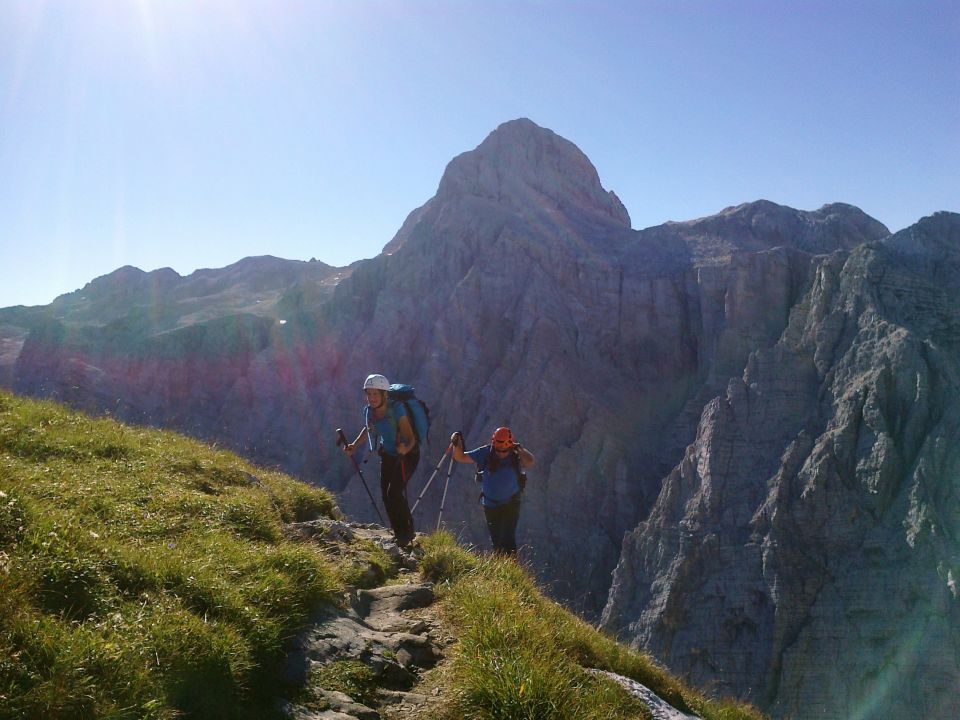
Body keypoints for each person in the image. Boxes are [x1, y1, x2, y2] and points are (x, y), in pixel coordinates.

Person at [342, 374, 419, 547]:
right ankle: (399, 533)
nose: (371, 398)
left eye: (375, 394)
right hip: (389, 454)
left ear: (384, 394)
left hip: (408, 455)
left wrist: (405, 449)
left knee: (394, 492)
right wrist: (354, 445)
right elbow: (369, 428)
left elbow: (411, 438)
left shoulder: (397, 410)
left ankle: (408, 532)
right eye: (369, 394)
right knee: (386, 495)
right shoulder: (369, 411)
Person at [451, 426, 534, 556]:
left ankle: (510, 570)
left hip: (511, 503)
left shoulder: (516, 453)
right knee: (496, 540)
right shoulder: (485, 452)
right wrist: (456, 443)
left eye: (504, 450)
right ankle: (501, 568)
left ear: (510, 445)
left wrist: (518, 448)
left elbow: (530, 462)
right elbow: (460, 457)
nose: (501, 453)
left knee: (507, 538)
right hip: (490, 504)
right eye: (498, 450)